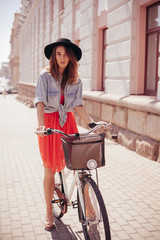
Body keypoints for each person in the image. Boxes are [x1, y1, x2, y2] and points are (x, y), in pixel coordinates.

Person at [35, 38, 98, 231]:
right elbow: (40, 102)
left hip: (68, 121)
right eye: (58, 53)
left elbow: (77, 104)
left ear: (71, 57)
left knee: (80, 166)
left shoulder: (75, 79)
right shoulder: (45, 76)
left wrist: (92, 123)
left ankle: (88, 205)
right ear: (54, 56)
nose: (62, 58)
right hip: (49, 123)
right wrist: (41, 125)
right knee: (49, 169)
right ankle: (48, 211)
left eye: (65, 54)